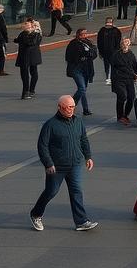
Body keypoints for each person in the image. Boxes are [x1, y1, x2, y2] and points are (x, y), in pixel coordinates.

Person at [30, 95, 98, 232]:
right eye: (68, 107)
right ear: (60, 107)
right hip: (57, 167)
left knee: (77, 191)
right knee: (51, 192)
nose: (71, 109)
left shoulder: (78, 121)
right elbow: (42, 146)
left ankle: (81, 221)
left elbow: (84, 139)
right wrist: (48, 164)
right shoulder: (50, 125)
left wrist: (88, 157)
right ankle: (36, 214)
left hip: (75, 164)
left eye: (73, 106)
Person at [65, 28, 97, 116]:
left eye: (86, 33)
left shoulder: (89, 42)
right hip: (76, 69)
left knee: (83, 90)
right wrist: (82, 57)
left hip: (86, 68)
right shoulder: (73, 44)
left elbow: (94, 53)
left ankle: (85, 109)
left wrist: (88, 54)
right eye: (83, 34)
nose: (85, 35)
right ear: (78, 34)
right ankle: (72, 103)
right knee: (82, 88)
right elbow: (69, 57)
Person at [110, 37, 137, 125]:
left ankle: (125, 115)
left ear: (129, 44)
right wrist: (133, 74)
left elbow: (135, 66)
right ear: (121, 44)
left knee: (131, 98)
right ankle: (120, 116)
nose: (125, 44)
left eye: (127, 42)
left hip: (129, 79)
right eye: (123, 43)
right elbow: (121, 66)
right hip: (119, 79)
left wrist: (136, 75)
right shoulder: (116, 55)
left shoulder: (131, 54)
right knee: (122, 96)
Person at [15, 18, 44, 99]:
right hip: (23, 55)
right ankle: (26, 91)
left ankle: (30, 90)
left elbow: (31, 42)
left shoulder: (36, 34)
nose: (24, 25)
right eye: (25, 23)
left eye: (27, 24)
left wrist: (26, 34)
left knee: (33, 72)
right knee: (24, 74)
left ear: (31, 25)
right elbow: (17, 40)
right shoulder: (23, 33)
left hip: (32, 55)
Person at [96, 17, 121, 85]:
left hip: (114, 51)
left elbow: (118, 42)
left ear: (112, 23)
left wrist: (118, 51)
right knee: (106, 65)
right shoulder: (102, 30)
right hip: (105, 51)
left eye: (110, 22)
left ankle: (113, 77)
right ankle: (107, 77)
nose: (108, 23)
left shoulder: (116, 30)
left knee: (114, 65)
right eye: (107, 21)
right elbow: (99, 42)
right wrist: (100, 51)